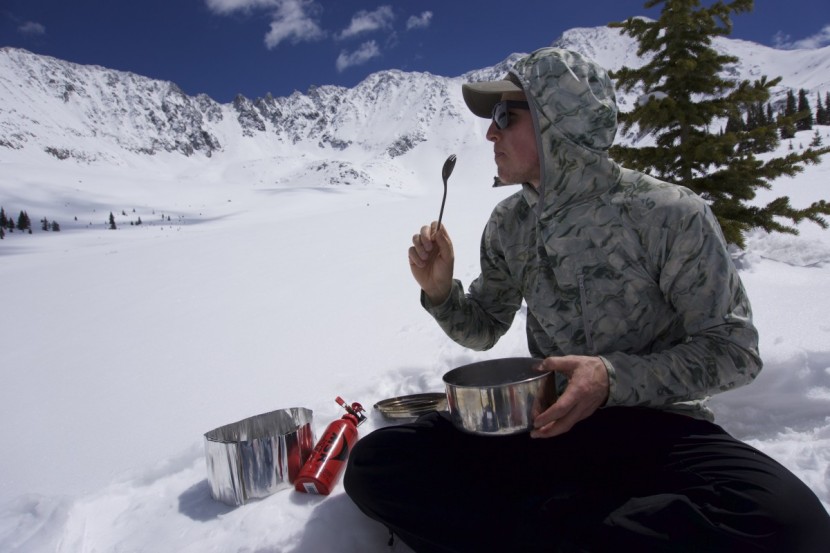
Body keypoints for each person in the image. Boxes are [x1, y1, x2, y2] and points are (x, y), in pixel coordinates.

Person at [344, 47, 830, 552]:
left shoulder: (667, 213)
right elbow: (485, 326)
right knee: (379, 462)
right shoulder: (511, 223)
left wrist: (611, 377)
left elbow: (734, 350)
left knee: (791, 524)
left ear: (559, 121)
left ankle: (538, 527)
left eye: (504, 116)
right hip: (544, 426)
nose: (490, 133)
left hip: (656, 427)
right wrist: (441, 292)